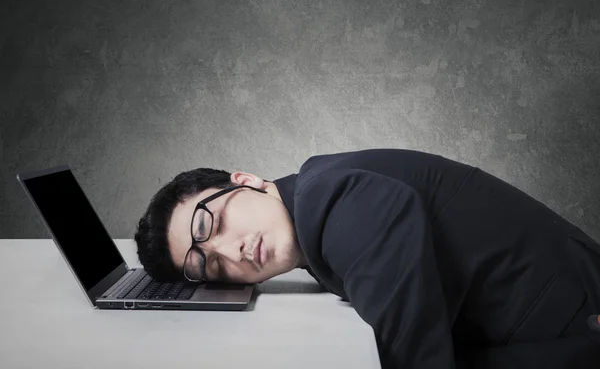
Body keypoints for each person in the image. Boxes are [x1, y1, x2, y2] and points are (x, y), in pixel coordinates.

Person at [134, 148, 600, 368]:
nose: (228, 250)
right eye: (207, 265)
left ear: (247, 180)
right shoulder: (310, 197)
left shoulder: (332, 201)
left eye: (208, 225)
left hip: (574, 320)